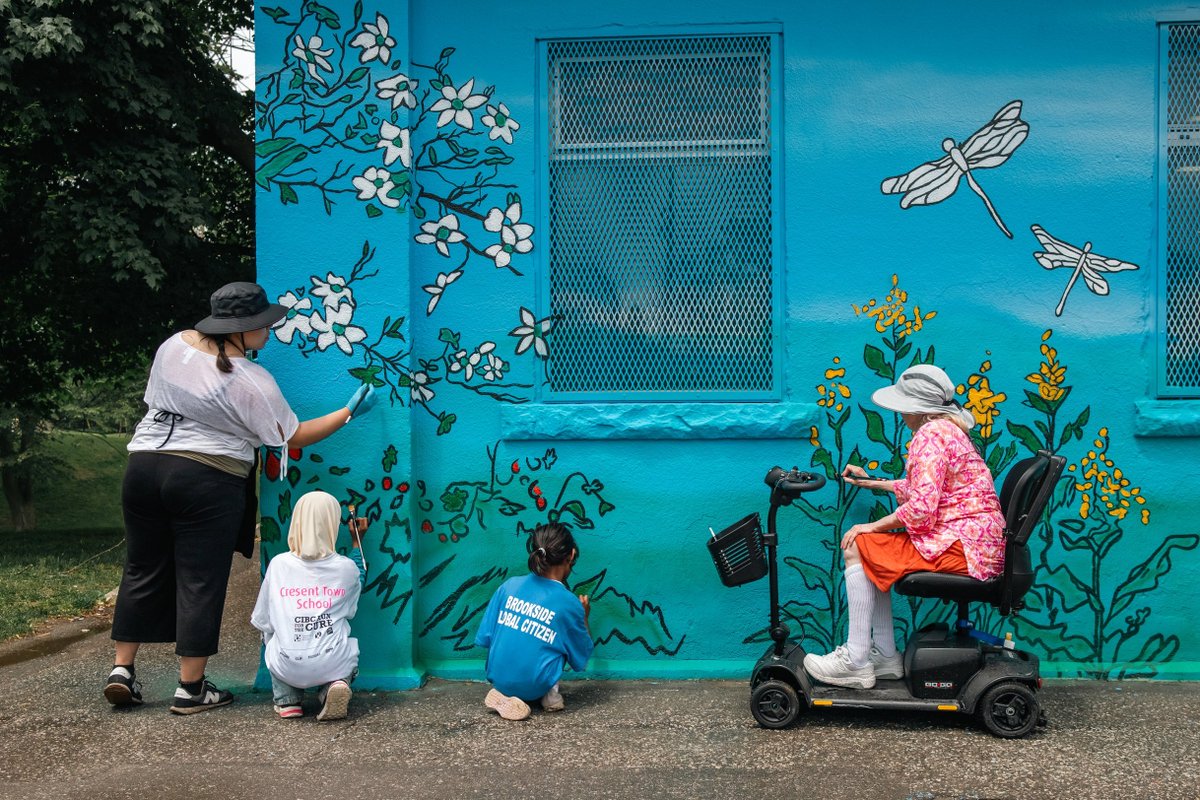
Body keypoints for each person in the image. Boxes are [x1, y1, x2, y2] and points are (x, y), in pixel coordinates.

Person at [104, 281, 379, 714]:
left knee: (141, 567)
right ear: (239, 329)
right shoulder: (251, 380)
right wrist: (347, 413)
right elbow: (293, 436)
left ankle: (122, 670)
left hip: (143, 466)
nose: (268, 332)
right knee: (200, 578)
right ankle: (191, 690)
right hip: (204, 477)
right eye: (262, 325)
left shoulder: (173, 345)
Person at [804, 364, 1004, 690]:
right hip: (977, 547)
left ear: (921, 409)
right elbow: (928, 489)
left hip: (963, 549)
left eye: (904, 406)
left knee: (856, 544)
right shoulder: (948, 431)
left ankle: (856, 661)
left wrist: (872, 526)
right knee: (873, 551)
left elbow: (923, 508)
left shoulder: (929, 437)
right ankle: (884, 656)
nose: (899, 413)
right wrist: (874, 484)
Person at [251, 491, 366, 721]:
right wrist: (357, 543)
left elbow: (263, 619)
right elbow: (358, 583)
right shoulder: (346, 568)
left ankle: (287, 700)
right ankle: (333, 686)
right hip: (332, 660)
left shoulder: (279, 565)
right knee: (346, 646)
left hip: (287, 664)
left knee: (271, 635)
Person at [474, 522, 594, 721]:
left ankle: (506, 693)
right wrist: (583, 617)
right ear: (571, 555)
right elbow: (581, 656)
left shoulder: (509, 586)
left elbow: (486, 637)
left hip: (498, 678)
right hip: (534, 685)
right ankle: (550, 697)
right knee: (561, 639)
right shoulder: (569, 603)